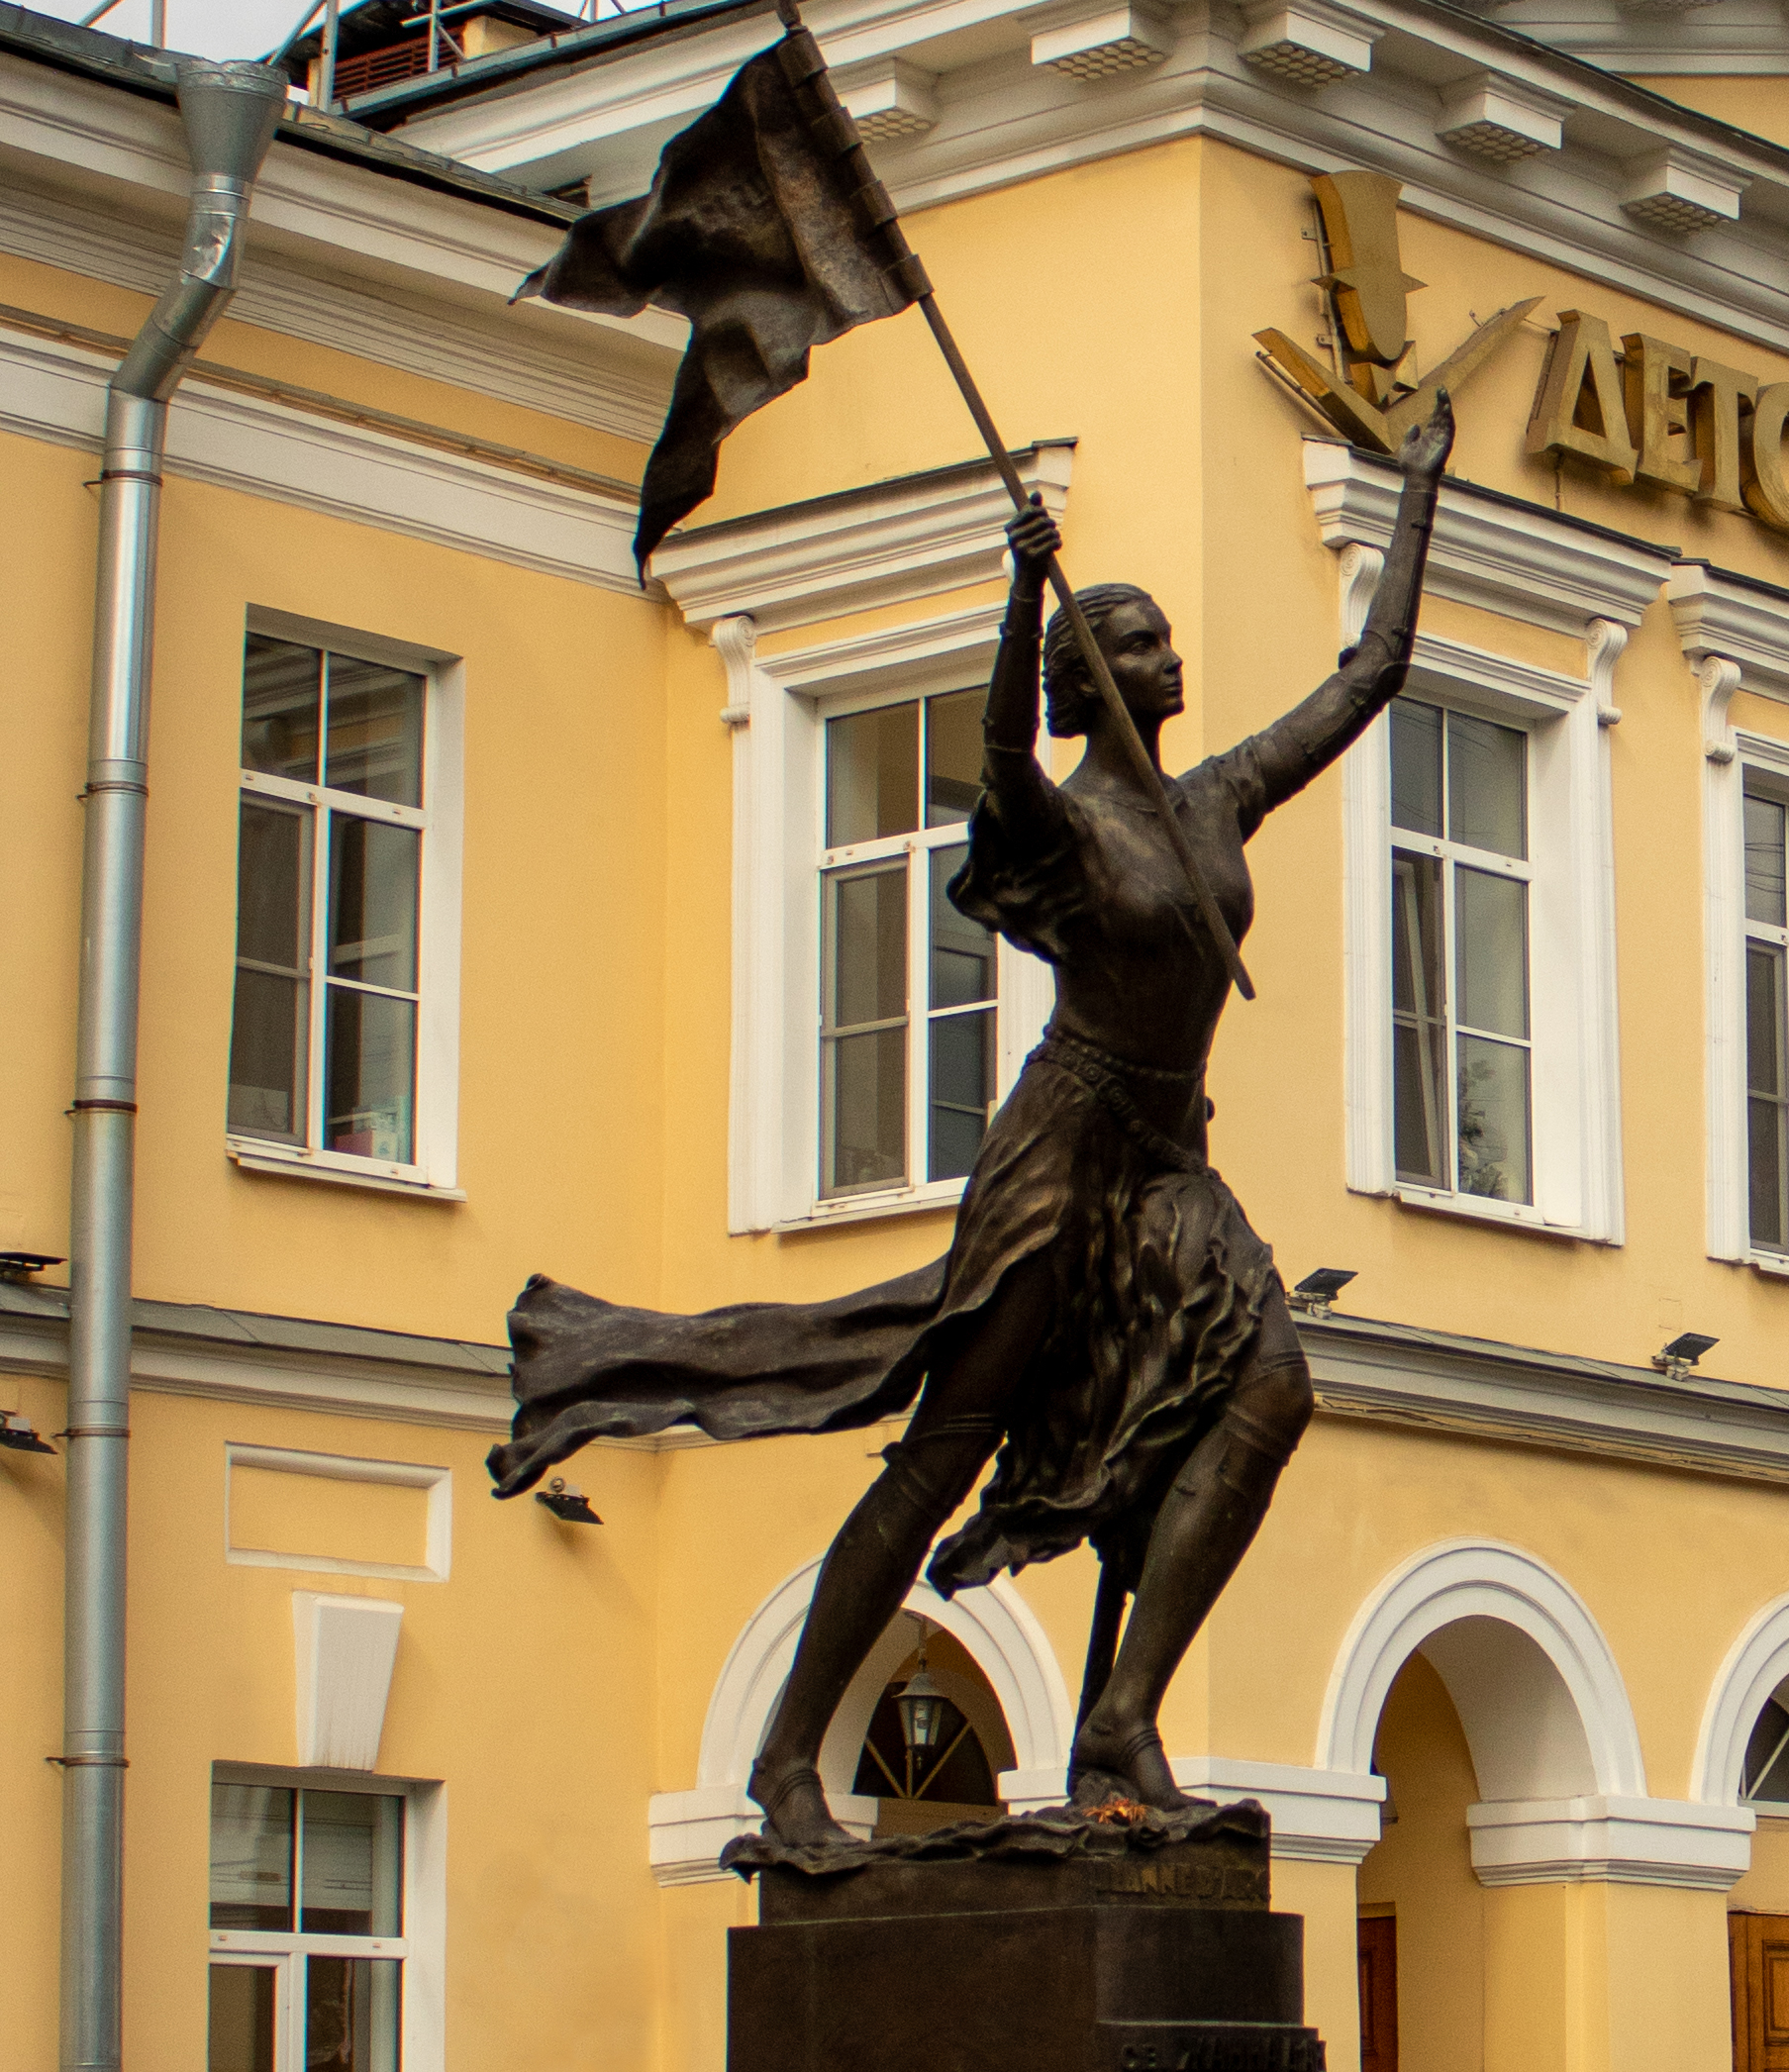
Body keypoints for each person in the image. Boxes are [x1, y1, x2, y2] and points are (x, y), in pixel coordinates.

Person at [488, 398, 1454, 1857]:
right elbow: (996, 764)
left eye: (1165, 636)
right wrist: (1019, 593)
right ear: (1085, 680)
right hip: (1063, 1162)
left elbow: (1371, 673)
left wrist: (1420, 492)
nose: (1169, 655)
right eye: (1135, 640)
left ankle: (1122, 1720)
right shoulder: (1066, 827)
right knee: (941, 1452)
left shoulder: (1213, 804)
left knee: (1264, 1394)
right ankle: (786, 1764)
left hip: (1168, 1167)